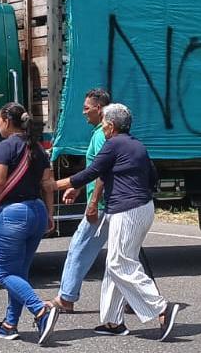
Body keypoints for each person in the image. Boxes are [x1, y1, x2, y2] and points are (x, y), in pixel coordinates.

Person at [56, 103, 180, 340]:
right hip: (141, 208)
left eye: (104, 124)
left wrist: (53, 185)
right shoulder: (136, 145)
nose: (102, 128)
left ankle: (161, 307)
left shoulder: (113, 144)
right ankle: (113, 321)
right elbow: (151, 176)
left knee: (118, 263)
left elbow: (90, 173)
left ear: (111, 126)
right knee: (118, 262)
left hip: (128, 211)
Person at [0, 102, 59, 345]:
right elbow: (47, 184)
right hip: (37, 211)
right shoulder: (38, 148)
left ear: (6, 121)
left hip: (12, 215)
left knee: (2, 272)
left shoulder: (5, 147)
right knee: (19, 272)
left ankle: (41, 310)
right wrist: (50, 215)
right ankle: (10, 323)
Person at [54, 88, 112, 312]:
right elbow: (95, 169)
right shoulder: (102, 133)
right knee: (125, 255)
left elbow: (104, 170)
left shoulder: (100, 135)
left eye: (86, 108)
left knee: (79, 247)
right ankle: (133, 299)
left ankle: (66, 298)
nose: (83, 113)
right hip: (109, 205)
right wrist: (78, 187)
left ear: (99, 109)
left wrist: (93, 202)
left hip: (102, 206)